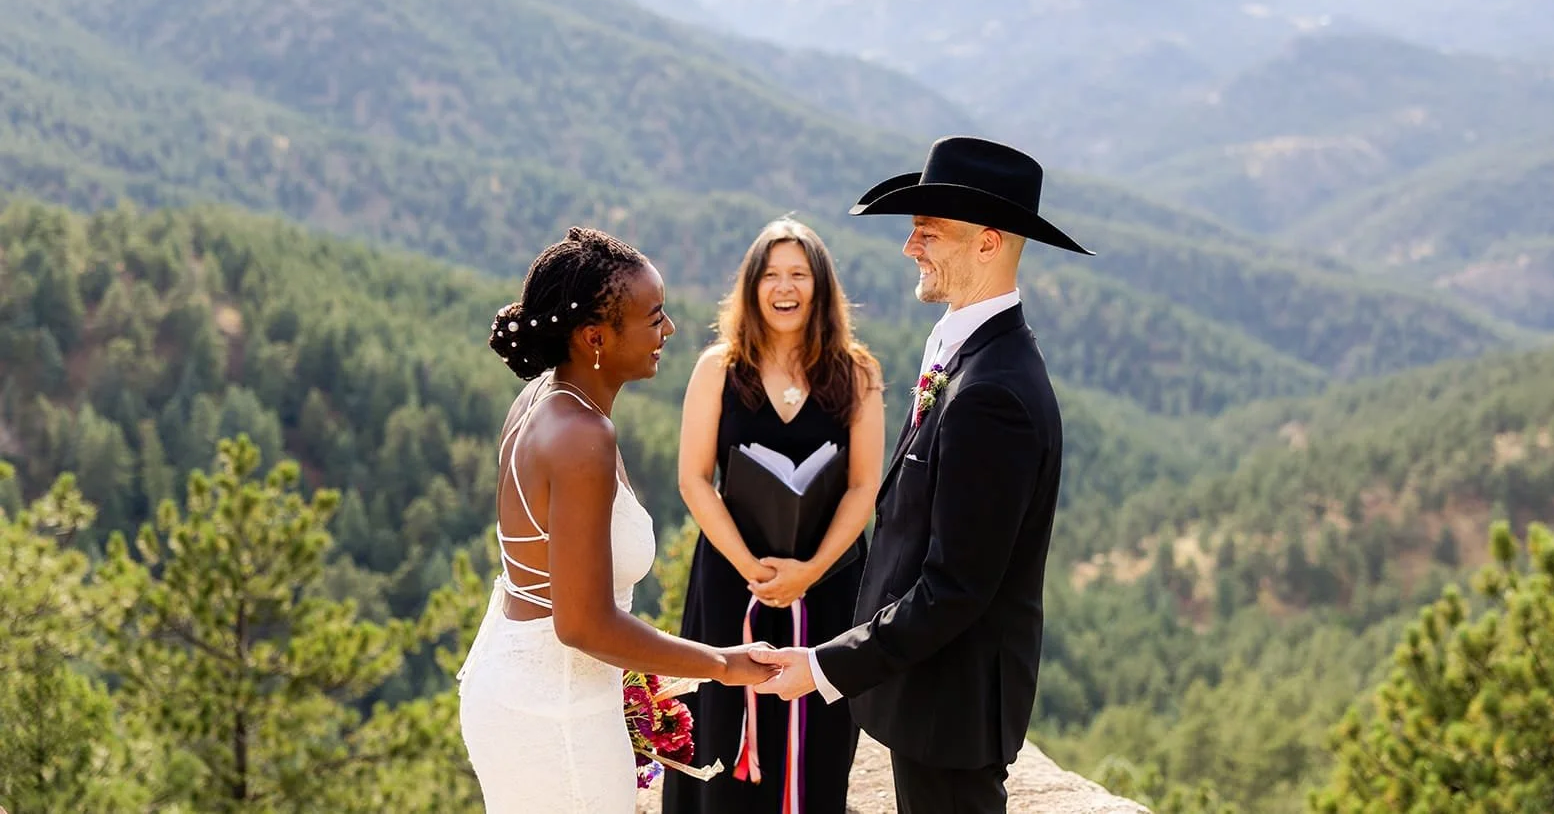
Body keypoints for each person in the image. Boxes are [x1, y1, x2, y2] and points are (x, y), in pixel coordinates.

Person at [751, 137, 1094, 814]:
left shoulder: (993, 392)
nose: (910, 246)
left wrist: (823, 664)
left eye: (927, 232)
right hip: (929, 696)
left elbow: (954, 587)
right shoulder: (969, 355)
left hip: (953, 710)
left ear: (988, 244)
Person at [457, 226, 774, 814]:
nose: (669, 330)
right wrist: (722, 665)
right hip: (554, 705)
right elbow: (583, 626)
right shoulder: (582, 435)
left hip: (522, 677)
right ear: (594, 337)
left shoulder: (544, 398)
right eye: (654, 317)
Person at [662, 218, 886, 814]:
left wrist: (808, 572)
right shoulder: (718, 368)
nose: (784, 288)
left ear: (820, 288)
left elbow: (864, 486)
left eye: (798, 274)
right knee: (720, 727)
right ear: (751, 286)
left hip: (829, 583)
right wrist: (752, 571)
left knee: (822, 734)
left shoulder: (857, 372)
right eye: (770, 275)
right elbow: (694, 479)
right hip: (731, 580)